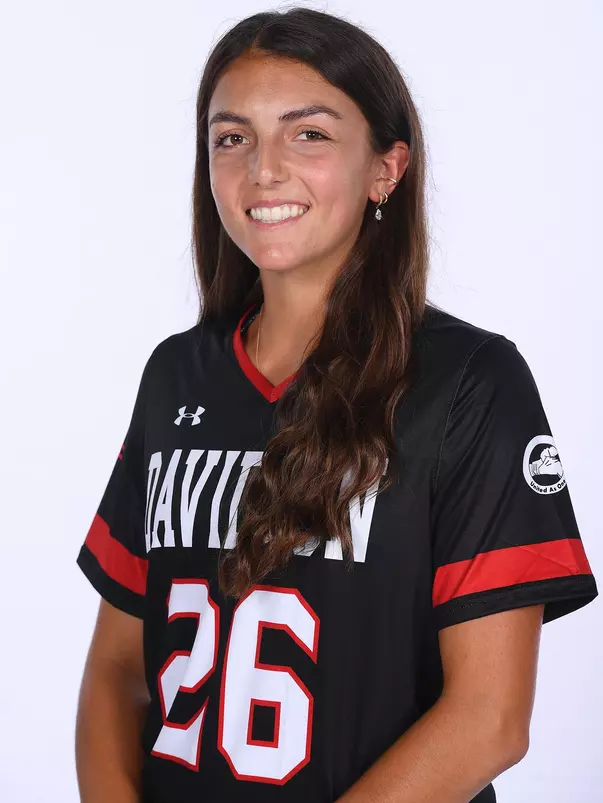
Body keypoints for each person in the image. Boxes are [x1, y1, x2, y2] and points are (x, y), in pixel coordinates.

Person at [74, 7, 598, 803]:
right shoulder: (176, 374)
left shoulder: (469, 381)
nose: (263, 169)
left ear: (386, 168)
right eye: (231, 137)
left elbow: (490, 717)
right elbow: (119, 665)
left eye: (307, 134)